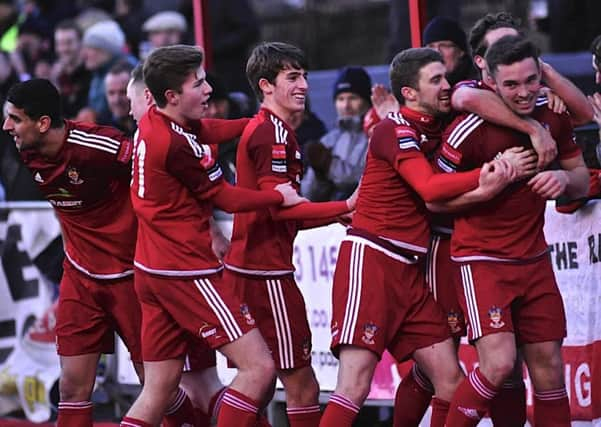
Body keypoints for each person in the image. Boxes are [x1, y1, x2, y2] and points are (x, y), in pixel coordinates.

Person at [318, 47, 516, 427]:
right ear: (410, 93)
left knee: (449, 379)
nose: (448, 86)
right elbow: (429, 187)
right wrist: (491, 173)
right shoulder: (394, 129)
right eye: (436, 80)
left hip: (409, 271)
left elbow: (478, 96)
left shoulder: (433, 125)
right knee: (354, 386)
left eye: (446, 76)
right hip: (372, 262)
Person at [122, 44, 303, 427]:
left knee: (158, 389)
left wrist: (255, 122)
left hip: (150, 271)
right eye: (198, 84)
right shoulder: (175, 144)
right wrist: (276, 194)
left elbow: (206, 128)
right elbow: (226, 197)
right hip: (185, 273)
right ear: (172, 96)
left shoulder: (155, 121)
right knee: (259, 369)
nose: (208, 91)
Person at [434, 35, 589, 427]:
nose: (524, 93)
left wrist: (562, 181)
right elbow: (432, 201)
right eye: (512, 85)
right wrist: (486, 187)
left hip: (535, 259)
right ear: (490, 81)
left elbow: (581, 180)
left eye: (531, 81)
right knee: (500, 363)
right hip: (481, 260)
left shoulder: (552, 113)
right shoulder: (466, 127)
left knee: (550, 370)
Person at [222, 41, 357, 427]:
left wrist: (335, 216)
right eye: (292, 77)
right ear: (265, 85)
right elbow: (283, 210)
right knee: (301, 385)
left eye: (305, 76)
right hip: (266, 277)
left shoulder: (272, 131)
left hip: (251, 271)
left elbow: (286, 214)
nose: (303, 85)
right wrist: (345, 206)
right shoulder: (273, 134)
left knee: (258, 382)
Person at [2, 78, 143, 427]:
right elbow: (65, 208)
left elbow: (155, 171)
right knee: (71, 387)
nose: (7, 127)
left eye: (15, 119)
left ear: (43, 123)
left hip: (131, 276)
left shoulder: (101, 145)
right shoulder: (27, 151)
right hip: (81, 278)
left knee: (158, 384)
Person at [301, 66, 371, 202]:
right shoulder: (329, 140)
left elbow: (363, 181)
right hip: (333, 218)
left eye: (353, 98)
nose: (346, 105)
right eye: (340, 99)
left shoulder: (375, 135)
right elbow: (308, 195)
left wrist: (329, 165)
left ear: (367, 100)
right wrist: (319, 175)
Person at [50, 19, 91, 119]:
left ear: (80, 43)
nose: (64, 49)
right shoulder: (56, 76)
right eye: (60, 43)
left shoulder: (91, 72)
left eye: (69, 43)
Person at [422, 16, 478, 86]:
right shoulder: (422, 85)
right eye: (431, 47)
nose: (436, 52)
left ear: (461, 52)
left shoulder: (475, 85)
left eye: (444, 46)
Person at [104, 60, 136, 136]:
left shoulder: (149, 126)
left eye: (123, 92)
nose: (117, 100)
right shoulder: (102, 129)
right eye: (111, 93)